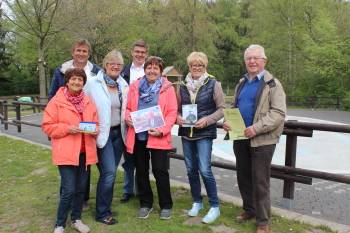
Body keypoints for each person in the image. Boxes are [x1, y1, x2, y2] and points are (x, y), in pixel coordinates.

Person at [223, 44, 286, 233]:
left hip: (262, 140)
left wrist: (256, 129)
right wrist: (228, 122)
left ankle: (263, 221)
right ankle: (249, 210)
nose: (252, 61)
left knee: (260, 181)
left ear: (264, 61)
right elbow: (235, 107)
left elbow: (278, 113)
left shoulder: (272, 84)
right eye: (248, 58)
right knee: (243, 177)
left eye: (255, 58)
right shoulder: (242, 83)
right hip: (240, 137)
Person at [42, 68, 99, 233]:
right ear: (67, 81)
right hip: (66, 153)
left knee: (81, 189)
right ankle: (60, 224)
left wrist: (95, 130)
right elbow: (47, 126)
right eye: (73, 79)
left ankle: (76, 219)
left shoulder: (88, 101)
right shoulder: (56, 101)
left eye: (80, 80)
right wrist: (67, 128)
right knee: (69, 190)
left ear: (83, 83)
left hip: (85, 152)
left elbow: (95, 123)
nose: (76, 82)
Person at [48, 39, 101, 208]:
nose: (81, 53)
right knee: (67, 165)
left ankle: (82, 200)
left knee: (84, 166)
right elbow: (53, 96)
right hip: (67, 124)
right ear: (73, 52)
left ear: (88, 54)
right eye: (78, 50)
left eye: (84, 51)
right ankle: (66, 199)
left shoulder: (96, 71)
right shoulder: (60, 71)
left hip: (87, 122)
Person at [125, 56, 177, 220]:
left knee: (160, 170)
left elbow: (172, 113)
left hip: (158, 136)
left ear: (161, 72)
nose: (152, 70)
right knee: (141, 171)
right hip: (139, 135)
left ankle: (166, 205)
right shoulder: (135, 86)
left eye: (156, 68)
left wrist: (162, 130)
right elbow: (127, 108)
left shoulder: (168, 88)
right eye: (149, 67)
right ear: (144, 69)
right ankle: (145, 203)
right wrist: (128, 117)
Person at [177, 52, 225, 224]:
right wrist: (177, 118)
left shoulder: (213, 83)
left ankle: (214, 206)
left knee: (205, 169)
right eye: (193, 65)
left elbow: (221, 109)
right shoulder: (182, 85)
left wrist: (208, 120)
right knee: (191, 170)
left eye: (200, 65)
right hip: (187, 133)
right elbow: (176, 109)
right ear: (189, 66)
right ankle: (197, 201)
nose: (196, 68)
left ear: (205, 66)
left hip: (204, 133)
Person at [84, 49, 129, 225]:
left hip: (119, 134)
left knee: (107, 173)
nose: (115, 67)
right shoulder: (93, 83)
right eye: (112, 63)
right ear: (105, 65)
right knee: (109, 172)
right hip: (103, 133)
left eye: (118, 64)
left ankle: (105, 206)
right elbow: (83, 106)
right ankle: (102, 213)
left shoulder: (123, 85)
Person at [119, 39, 148, 203]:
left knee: (142, 159)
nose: (139, 55)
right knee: (128, 158)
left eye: (143, 52)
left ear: (146, 54)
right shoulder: (123, 71)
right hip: (127, 120)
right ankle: (127, 190)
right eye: (137, 52)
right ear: (132, 52)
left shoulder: (150, 70)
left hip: (145, 121)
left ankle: (141, 189)